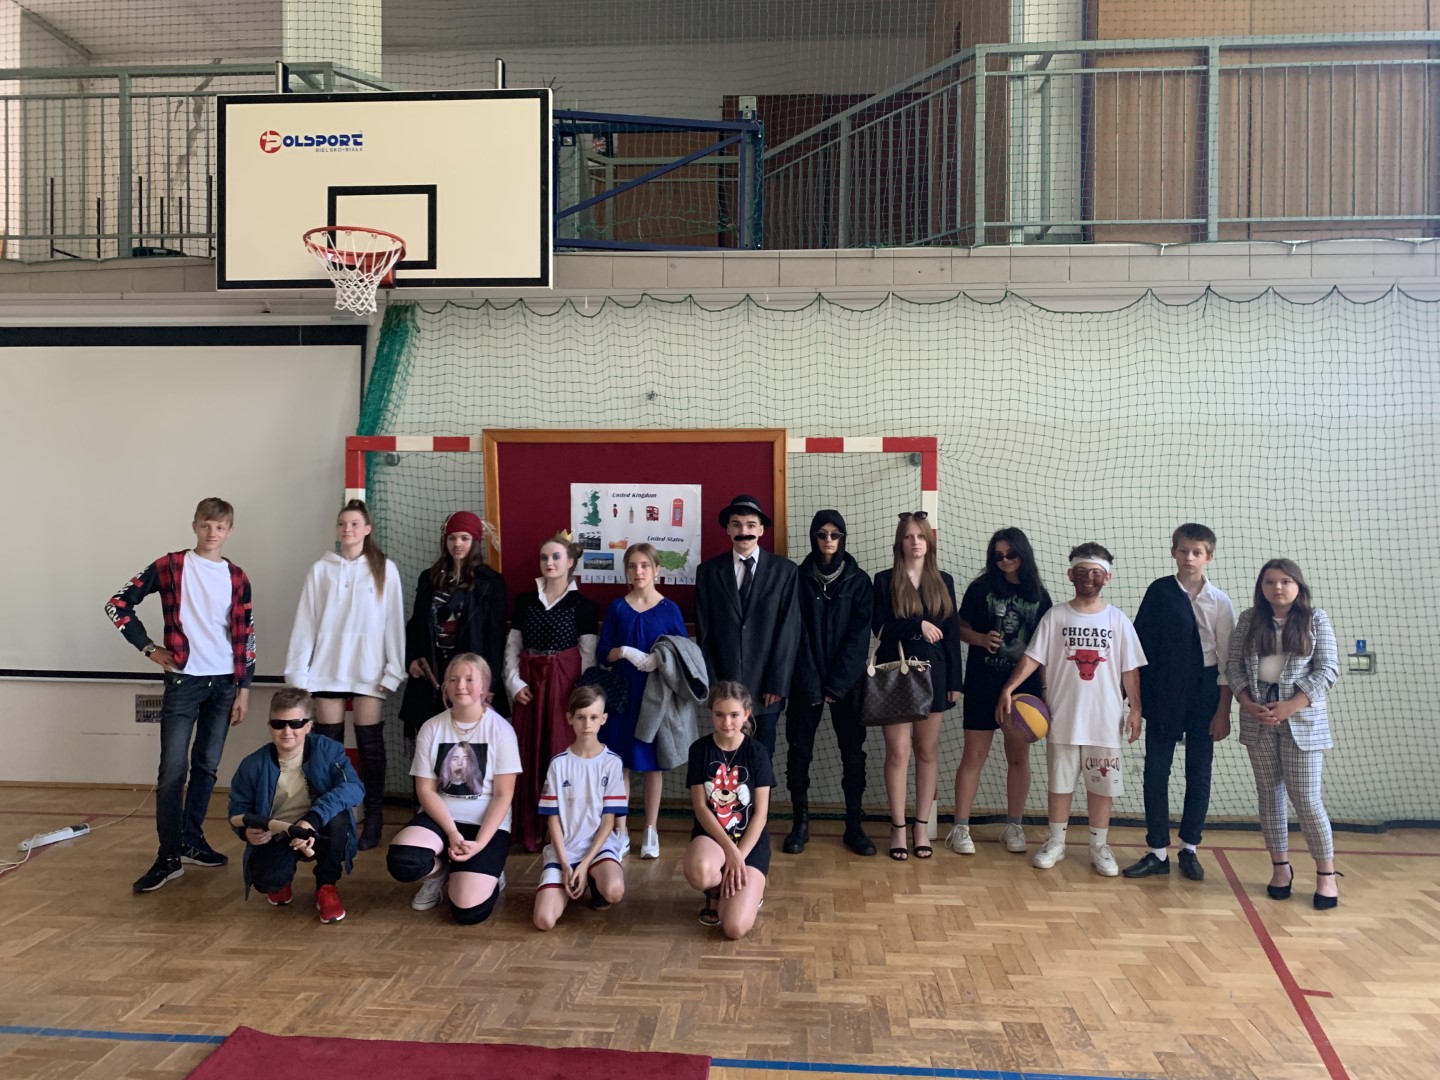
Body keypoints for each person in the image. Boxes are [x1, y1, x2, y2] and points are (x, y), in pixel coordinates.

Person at [105, 496, 255, 893]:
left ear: (229, 531)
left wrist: (243, 688)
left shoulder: (237, 577)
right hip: (184, 681)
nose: (212, 533)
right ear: (195, 526)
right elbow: (117, 605)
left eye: (219, 527)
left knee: (206, 767)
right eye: (206, 525)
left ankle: (190, 840)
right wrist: (148, 648)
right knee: (173, 770)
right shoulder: (170, 566)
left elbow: (246, 635)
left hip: (224, 683)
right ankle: (168, 855)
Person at [997, 543, 1146, 878]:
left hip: (1105, 720)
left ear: (1107, 577)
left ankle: (1099, 846)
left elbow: (1130, 670)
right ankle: (1056, 842)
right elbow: (1033, 657)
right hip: (1063, 718)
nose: (1088, 578)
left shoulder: (1118, 620)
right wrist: (1009, 687)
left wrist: (1135, 710)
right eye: (1082, 572)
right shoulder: (1056, 617)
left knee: (1101, 787)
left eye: (1096, 573)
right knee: (1060, 784)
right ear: (1070, 575)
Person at [284, 499, 405, 851]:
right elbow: (306, 622)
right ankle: (332, 817)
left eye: (354, 524)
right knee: (328, 748)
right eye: (342, 524)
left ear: (367, 529)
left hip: (369, 671)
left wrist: (393, 669)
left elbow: (394, 622)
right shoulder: (320, 570)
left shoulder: (385, 569)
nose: (347, 529)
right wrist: (299, 673)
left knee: (371, 746)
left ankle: (374, 816)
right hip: (327, 670)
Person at [1123, 524, 1236, 883]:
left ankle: (1189, 847)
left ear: (1209, 557)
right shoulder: (1159, 592)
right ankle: (1158, 850)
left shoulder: (1220, 602)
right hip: (1164, 688)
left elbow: (1227, 662)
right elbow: (1139, 647)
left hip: (1204, 690)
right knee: (1156, 769)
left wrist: (1222, 711)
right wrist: (1135, 703)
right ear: (1173, 552)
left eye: (1197, 552)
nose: (1189, 557)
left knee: (1199, 771)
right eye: (1184, 550)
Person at [1225, 560, 1341, 909]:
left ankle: (1326, 875)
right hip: (1258, 718)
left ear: (1298, 586)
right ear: (1261, 588)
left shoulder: (1315, 619)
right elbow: (1233, 667)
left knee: (1305, 798)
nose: (1277, 588)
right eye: (1270, 582)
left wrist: (1292, 705)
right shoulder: (1249, 620)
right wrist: (1247, 702)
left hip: (1302, 720)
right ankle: (1280, 869)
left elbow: (1328, 669)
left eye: (1285, 581)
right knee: (1269, 796)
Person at [386, 653, 520, 925]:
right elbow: (425, 791)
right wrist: (451, 832)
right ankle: (439, 874)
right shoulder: (431, 727)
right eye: (453, 679)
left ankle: (489, 871)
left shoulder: (502, 731)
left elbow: (504, 795)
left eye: (470, 679)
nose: (461, 686)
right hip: (441, 820)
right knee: (404, 862)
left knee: (468, 912)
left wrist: (480, 843)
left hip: (486, 826)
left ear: (484, 686)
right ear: (445, 686)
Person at [947, 528, 1052, 857]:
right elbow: (957, 627)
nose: (1005, 561)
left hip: (1023, 691)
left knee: (1018, 758)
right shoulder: (981, 588)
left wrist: (1045, 692)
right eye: (998, 556)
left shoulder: (1040, 596)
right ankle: (961, 827)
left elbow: (1044, 650)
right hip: (982, 684)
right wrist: (980, 639)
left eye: (1011, 554)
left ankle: (1014, 825)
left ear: (1024, 554)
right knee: (973, 756)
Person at [226, 687, 364, 923]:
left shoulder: (329, 750)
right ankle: (282, 879)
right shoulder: (252, 765)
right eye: (279, 724)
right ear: (269, 726)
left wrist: (312, 819)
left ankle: (326, 886)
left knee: (339, 819)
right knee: (267, 881)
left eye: (296, 724)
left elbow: (353, 788)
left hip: (318, 827)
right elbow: (237, 809)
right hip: (279, 832)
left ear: (309, 726)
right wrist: (246, 832)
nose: (287, 731)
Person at [871, 511, 962, 860]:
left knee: (927, 751)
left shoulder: (944, 581)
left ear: (929, 541)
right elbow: (879, 629)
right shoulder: (884, 580)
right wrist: (916, 625)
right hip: (896, 673)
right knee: (898, 753)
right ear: (900, 542)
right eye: (908, 536)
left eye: (921, 536)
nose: (915, 542)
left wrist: (955, 682)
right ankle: (897, 827)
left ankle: (920, 827)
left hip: (935, 675)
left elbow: (951, 636)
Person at [784, 509, 875, 856]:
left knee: (853, 755)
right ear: (813, 537)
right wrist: (810, 682)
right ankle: (800, 824)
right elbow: (795, 632)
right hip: (804, 682)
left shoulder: (859, 581)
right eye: (822, 534)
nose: (828, 541)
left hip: (847, 685)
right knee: (799, 753)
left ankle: (854, 825)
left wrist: (837, 685)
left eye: (835, 535)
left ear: (843, 538)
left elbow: (859, 637)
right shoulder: (796, 578)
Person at [504, 531, 599, 852]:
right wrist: (514, 683)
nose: (549, 562)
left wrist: (581, 698)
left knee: (561, 752)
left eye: (556, 556)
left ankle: (564, 832)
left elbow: (587, 655)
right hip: (529, 687)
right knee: (526, 752)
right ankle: (528, 829)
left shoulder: (584, 606)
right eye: (544, 557)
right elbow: (513, 646)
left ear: (570, 562)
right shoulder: (525, 601)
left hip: (564, 688)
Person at [596, 543, 687, 860]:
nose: (639, 572)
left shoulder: (670, 609)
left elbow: (683, 652)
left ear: (657, 569)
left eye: (645, 565)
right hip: (622, 695)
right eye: (632, 566)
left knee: (652, 764)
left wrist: (659, 659)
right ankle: (620, 830)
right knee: (620, 763)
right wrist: (624, 652)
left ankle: (650, 829)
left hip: (655, 696)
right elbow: (603, 652)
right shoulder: (617, 608)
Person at [694, 494, 801, 755]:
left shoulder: (785, 571)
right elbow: (704, 634)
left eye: (751, 525)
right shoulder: (708, 572)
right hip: (724, 687)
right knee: (725, 757)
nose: (744, 531)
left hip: (766, 689)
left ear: (761, 530)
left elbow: (789, 630)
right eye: (737, 524)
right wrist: (713, 684)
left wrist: (777, 682)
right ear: (728, 529)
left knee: (761, 755)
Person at [399, 512, 509, 766]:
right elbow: (415, 625)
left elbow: (495, 638)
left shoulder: (491, 582)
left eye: (464, 538)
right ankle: (426, 792)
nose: (457, 544)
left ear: (475, 542)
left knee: (468, 750)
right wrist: (411, 659)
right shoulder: (428, 579)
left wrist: (489, 683)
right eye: (452, 538)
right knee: (429, 748)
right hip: (431, 676)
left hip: (470, 678)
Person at [683, 681, 773, 940]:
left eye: (734, 715)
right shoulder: (699, 750)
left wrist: (739, 858)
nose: (727, 722)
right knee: (701, 871)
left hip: (750, 845)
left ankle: (749, 892)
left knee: (734, 928)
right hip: (712, 839)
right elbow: (701, 807)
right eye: (720, 714)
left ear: (746, 714)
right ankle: (714, 890)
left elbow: (761, 814)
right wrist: (730, 851)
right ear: (710, 712)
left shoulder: (757, 752)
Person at [533, 685, 628, 930]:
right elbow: (552, 820)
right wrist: (566, 865)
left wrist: (585, 864)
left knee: (615, 890)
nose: (587, 724)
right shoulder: (558, 764)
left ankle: (593, 879)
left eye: (594, 717)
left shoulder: (612, 763)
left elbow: (608, 821)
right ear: (569, 718)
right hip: (565, 850)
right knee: (543, 921)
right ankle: (571, 882)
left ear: (603, 719)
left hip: (598, 848)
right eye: (581, 717)